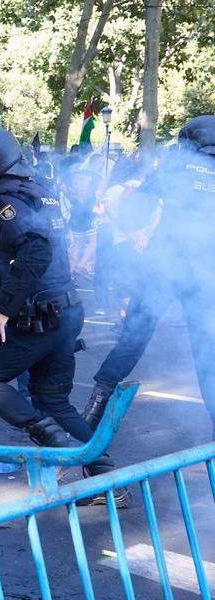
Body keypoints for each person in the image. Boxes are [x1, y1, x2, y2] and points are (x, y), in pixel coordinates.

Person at [0, 127, 121, 503]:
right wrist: (4, 290)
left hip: (42, 318)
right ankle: (109, 480)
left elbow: (36, 248)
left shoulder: (4, 200)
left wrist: (3, 308)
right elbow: (44, 256)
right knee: (52, 399)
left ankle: (57, 445)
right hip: (65, 309)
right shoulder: (39, 190)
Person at [80, 116, 215, 440]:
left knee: (133, 338)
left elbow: (136, 210)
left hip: (164, 269)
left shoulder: (176, 166)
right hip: (204, 273)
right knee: (206, 353)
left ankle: (89, 421)